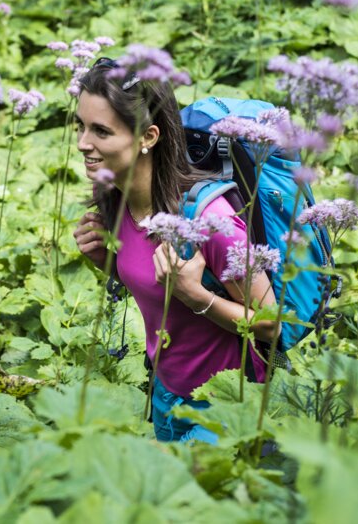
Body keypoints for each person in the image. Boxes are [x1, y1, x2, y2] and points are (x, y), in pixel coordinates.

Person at [72, 57, 279, 443]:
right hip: (165, 393)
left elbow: (271, 324)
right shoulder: (114, 198)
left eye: (101, 130)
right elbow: (153, 286)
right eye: (80, 126)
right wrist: (107, 263)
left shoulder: (208, 221)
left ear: (149, 137)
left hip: (225, 407)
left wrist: (195, 296)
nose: (84, 143)